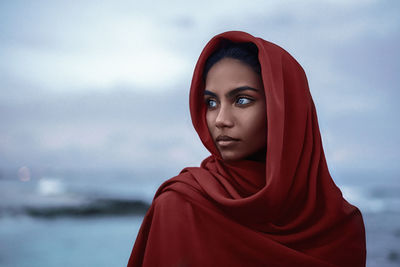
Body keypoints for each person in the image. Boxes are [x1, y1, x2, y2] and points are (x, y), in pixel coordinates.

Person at [127, 31, 366, 267]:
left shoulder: (341, 227)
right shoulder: (180, 206)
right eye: (211, 102)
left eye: (241, 100)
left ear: (286, 108)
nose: (220, 119)